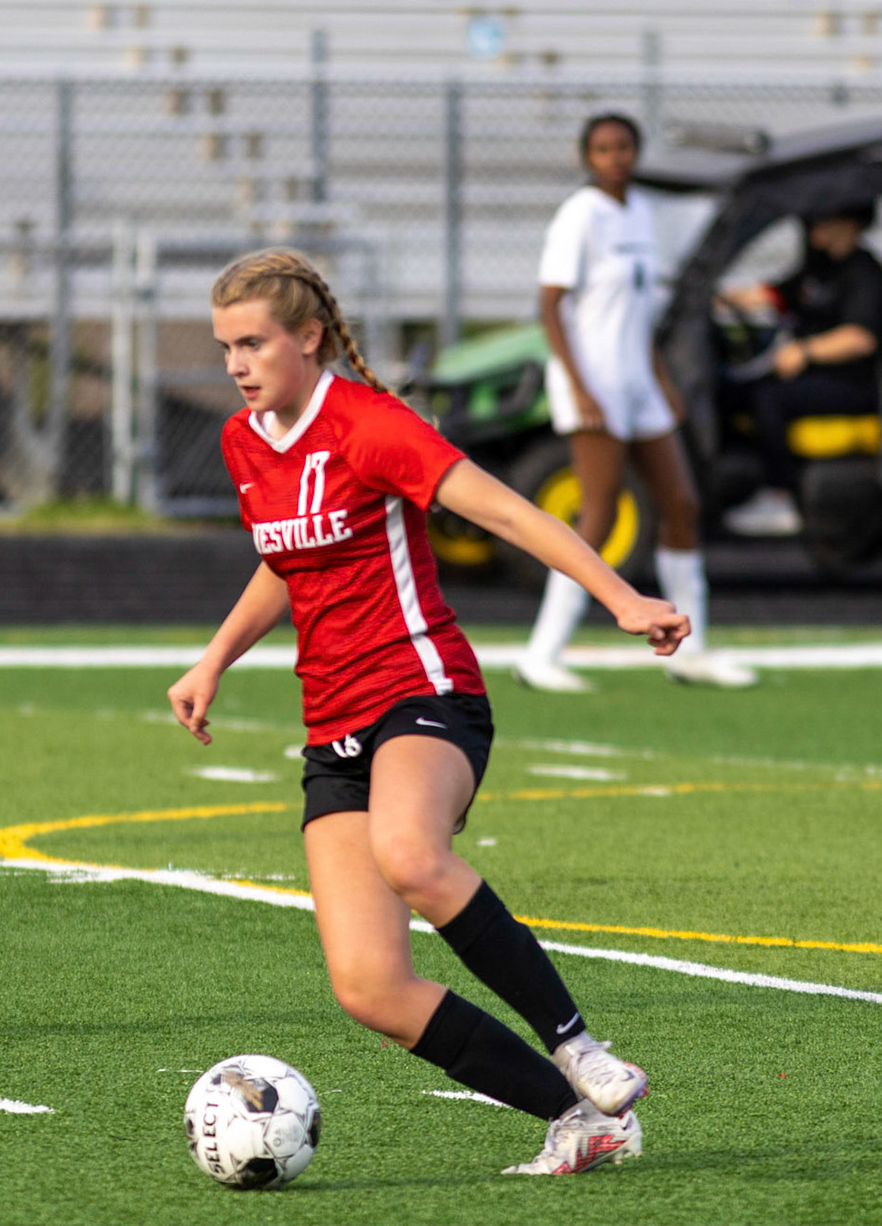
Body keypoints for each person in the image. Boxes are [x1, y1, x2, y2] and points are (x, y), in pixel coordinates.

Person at [169, 248, 686, 1174]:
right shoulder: (245, 441)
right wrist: (214, 659)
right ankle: (581, 1118)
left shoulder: (372, 426)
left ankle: (578, 1045)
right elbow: (286, 561)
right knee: (370, 986)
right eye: (225, 348)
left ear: (309, 337)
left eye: (253, 344)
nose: (237, 365)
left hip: (424, 690)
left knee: (410, 855)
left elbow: (510, 514)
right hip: (332, 728)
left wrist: (620, 598)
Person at [517, 112, 755, 692]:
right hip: (594, 380)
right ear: (587, 157)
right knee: (598, 514)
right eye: (602, 149)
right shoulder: (580, 214)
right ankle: (542, 653)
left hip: (638, 381)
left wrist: (660, 378)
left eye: (623, 146)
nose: (614, 157)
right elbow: (550, 306)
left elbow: (638, 312)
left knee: (682, 504)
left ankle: (689, 650)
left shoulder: (641, 213)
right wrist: (578, 385)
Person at [722, 204, 882, 537]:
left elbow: (861, 339)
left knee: (769, 398)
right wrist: (721, 297)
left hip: (852, 384)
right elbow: (775, 295)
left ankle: (779, 496)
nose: (813, 224)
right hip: (815, 376)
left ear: (849, 222)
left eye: (823, 216)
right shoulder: (819, 266)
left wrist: (805, 351)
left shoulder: (865, 273)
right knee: (731, 391)